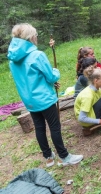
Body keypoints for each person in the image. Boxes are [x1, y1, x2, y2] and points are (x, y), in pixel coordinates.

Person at [8, 23, 83, 167]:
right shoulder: (37, 55)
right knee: (55, 127)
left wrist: (48, 82)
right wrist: (55, 72)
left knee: (39, 128)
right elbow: (51, 77)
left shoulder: (12, 60)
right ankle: (64, 157)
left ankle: (48, 157)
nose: (36, 38)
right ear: (30, 38)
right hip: (44, 99)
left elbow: (29, 79)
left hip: (29, 101)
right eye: (35, 35)